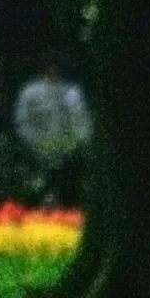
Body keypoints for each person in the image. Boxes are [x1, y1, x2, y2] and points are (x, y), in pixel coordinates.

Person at [13, 52, 91, 197]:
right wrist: (34, 145)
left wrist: (75, 146)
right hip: (37, 153)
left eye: (56, 67)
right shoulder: (30, 92)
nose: (53, 70)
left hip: (69, 155)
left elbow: (81, 121)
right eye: (49, 66)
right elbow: (22, 121)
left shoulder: (72, 92)